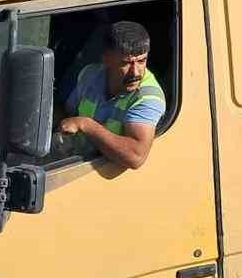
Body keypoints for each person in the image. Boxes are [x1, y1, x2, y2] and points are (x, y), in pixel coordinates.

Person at [56, 20, 165, 169]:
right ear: (106, 59)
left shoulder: (148, 97)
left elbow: (135, 157)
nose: (136, 72)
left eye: (141, 61)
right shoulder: (90, 75)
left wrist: (86, 124)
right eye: (126, 63)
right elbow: (67, 116)